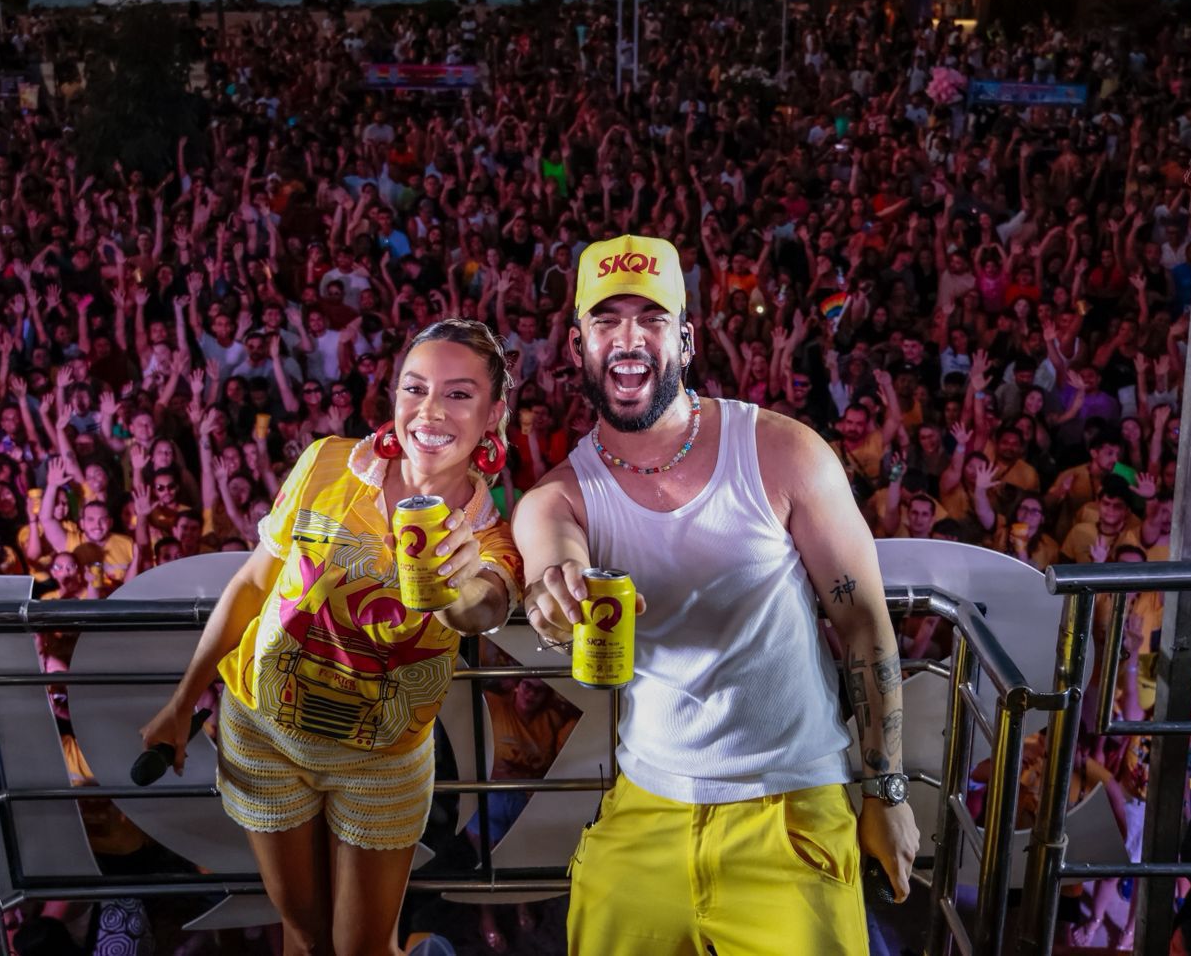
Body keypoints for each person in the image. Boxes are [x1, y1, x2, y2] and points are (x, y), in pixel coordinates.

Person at [513, 235, 918, 956]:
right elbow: (552, 554)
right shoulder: (559, 496)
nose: (629, 339)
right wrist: (554, 592)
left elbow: (862, 622)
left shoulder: (783, 452)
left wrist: (886, 792)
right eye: (606, 321)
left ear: (686, 340)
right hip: (645, 807)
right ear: (577, 345)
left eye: (652, 318)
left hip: (792, 806)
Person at [139, 318, 521, 956]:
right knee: (306, 936)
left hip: (382, 764)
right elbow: (253, 584)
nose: (430, 410)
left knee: (362, 948)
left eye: (459, 394)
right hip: (264, 737)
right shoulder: (327, 462)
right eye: (415, 388)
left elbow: (483, 608)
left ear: (493, 414)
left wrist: (457, 588)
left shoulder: (489, 535)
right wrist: (182, 703)